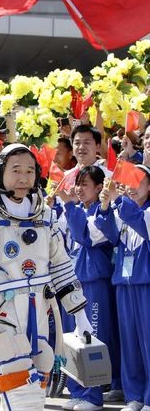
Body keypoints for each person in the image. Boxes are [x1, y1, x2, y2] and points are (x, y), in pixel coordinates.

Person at [0, 142, 93, 411]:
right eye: (16, 170)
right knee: (20, 390)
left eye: (30, 171)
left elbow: (60, 266)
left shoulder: (43, 215)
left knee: (35, 385)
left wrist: (79, 315)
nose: (24, 178)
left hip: (38, 313)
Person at [58, 166, 121, 410]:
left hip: (95, 283)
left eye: (85, 184)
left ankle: (93, 395)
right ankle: (78, 391)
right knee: (72, 339)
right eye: (78, 183)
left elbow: (84, 235)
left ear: (98, 187)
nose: (79, 189)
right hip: (74, 281)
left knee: (91, 337)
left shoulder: (104, 213)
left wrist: (70, 206)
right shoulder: (77, 211)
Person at [96, 166, 150, 411]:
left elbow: (140, 223)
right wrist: (106, 207)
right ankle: (134, 396)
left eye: (138, 181)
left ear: (149, 187)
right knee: (130, 345)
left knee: (148, 343)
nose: (131, 186)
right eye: (128, 182)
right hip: (124, 286)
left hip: (145, 286)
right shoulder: (123, 211)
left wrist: (119, 201)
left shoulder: (144, 212)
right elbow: (108, 234)